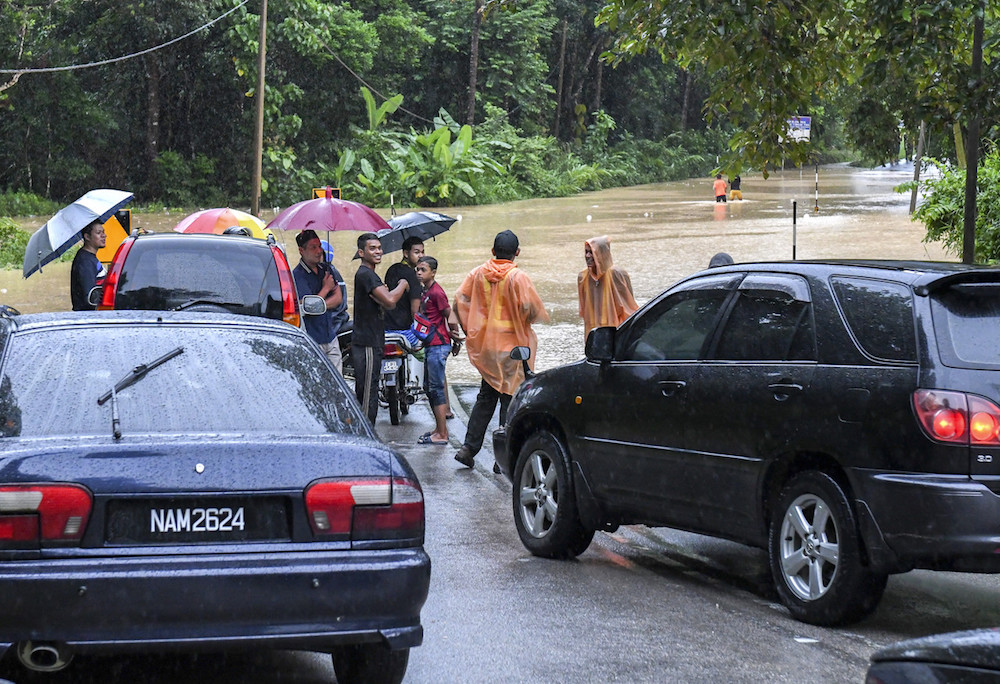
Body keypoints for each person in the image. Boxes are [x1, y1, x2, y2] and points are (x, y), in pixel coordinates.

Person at [453, 230, 548, 470]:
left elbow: (460, 300)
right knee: (510, 399)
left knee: (486, 397)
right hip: (513, 349)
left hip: (487, 347)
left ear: (493, 251)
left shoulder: (477, 274)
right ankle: (502, 457)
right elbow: (533, 310)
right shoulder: (518, 278)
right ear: (517, 253)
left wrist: (470, 330)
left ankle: (468, 448)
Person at [353, 232, 409, 425]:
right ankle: (367, 435)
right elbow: (391, 301)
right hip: (367, 342)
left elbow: (383, 301)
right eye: (372, 248)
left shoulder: (370, 275)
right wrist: (403, 284)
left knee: (369, 390)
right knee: (368, 394)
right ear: (361, 252)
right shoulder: (366, 275)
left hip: (373, 340)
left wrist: (384, 292)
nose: (378, 252)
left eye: (379, 248)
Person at [414, 255, 461, 445]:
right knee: (429, 387)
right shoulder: (425, 291)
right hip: (431, 345)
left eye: (423, 270)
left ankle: (442, 434)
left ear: (433, 272)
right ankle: (439, 428)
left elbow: (450, 315)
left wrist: (456, 339)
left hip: (439, 345)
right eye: (417, 269)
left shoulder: (436, 292)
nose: (418, 272)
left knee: (435, 388)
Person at [292, 229, 347, 373]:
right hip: (311, 339)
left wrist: (319, 304)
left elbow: (338, 299)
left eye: (319, 246)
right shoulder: (297, 276)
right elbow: (307, 307)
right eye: (313, 247)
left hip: (330, 335)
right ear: (301, 251)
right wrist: (326, 288)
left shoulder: (325, 269)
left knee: (338, 383)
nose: (319, 251)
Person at [578, 236, 639, 343]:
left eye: (592, 252)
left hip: (616, 333)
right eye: (586, 252)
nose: (587, 256)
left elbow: (630, 307)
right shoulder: (583, 277)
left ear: (602, 254)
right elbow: (585, 312)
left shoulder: (617, 274)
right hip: (593, 334)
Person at [384, 236, 425, 391]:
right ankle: (443, 405)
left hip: (386, 329)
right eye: (416, 252)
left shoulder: (391, 270)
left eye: (422, 252)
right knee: (432, 356)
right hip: (405, 333)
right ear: (406, 253)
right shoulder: (413, 276)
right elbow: (416, 312)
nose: (421, 255)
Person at [70, 220, 107, 311]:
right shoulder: (85, 262)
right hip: (88, 317)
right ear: (87, 237)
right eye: (98, 233)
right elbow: (90, 298)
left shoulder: (90, 258)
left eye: (103, 232)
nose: (104, 236)